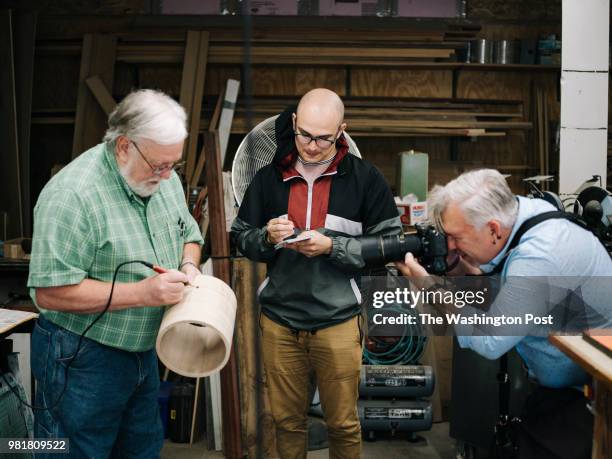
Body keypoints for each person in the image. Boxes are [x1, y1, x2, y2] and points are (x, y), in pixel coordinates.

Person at [27, 89, 203, 458]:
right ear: (124, 146)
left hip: (142, 354)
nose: (168, 175)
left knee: (141, 450)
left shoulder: (164, 177)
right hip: (82, 356)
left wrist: (189, 264)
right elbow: (49, 293)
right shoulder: (72, 196)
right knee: (77, 451)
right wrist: (144, 294)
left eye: (175, 165)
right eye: (159, 165)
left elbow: (189, 232)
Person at [231, 88, 402, 458]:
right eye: (304, 134)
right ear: (293, 123)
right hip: (280, 322)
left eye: (323, 138)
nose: (311, 145)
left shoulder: (365, 180)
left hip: (338, 322)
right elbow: (239, 238)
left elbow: (392, 244)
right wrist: (265, 235)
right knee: (287, 424)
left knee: (342, 425)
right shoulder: (267, 178)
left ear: (342, 130)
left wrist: (333, 247)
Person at [396, 168, 612, 459]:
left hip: (588, 398)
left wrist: (429, 286)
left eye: (455, 237)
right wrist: (455, 266)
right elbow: (501, 281)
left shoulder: (541, 255)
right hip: (559, 387)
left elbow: (489, 337)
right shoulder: (525, 214)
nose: (450, 245)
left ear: (494, 229)